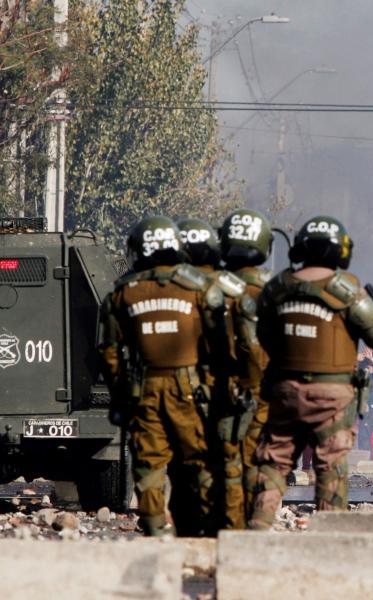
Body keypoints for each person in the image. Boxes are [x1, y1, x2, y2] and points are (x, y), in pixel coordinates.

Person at [247, 215, 373, 528]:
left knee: (274, 459)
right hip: (332, 394)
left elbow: (262, 333)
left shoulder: (279, 285)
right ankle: (331, 532)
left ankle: (256, 527)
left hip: (284, 388)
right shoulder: (348, 291)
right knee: (331, 464)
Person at [98, 216, 227, 536]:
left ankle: (155, 530)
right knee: (198, 460)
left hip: (144, 388)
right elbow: (220, 345)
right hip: (191, 389)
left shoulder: (123, 292)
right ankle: (203, 530)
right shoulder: (200, 286)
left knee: (149, 464)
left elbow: (109, 352)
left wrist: (121, 393)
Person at [176, 218, 259, 531]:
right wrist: (251, 387)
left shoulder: (160, 285)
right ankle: (230, 529)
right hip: (220, 386)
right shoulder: (230, 287)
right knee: (229, 460)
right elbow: (249, 345)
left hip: (179, 385)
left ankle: (188, 530)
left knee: (182, 463)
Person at [217, 208, 274, 519]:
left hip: (209, 388)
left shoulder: (206, 285)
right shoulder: (273, 290)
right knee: (253, 458)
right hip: (258, 390)